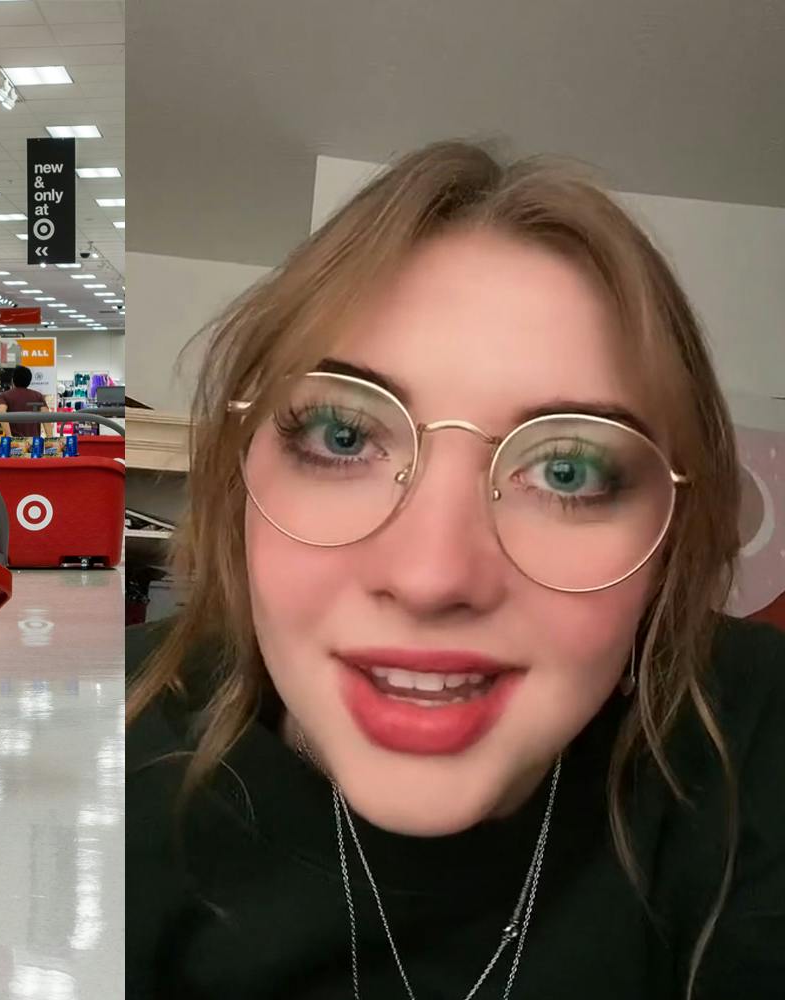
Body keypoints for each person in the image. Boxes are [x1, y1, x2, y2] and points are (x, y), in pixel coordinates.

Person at [127, 141, 785, 997]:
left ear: (667, 546)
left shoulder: (760, 735)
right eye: (343, 436)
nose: (433, 577)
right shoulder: (95, 754)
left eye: (567, 471)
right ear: (239, 471)